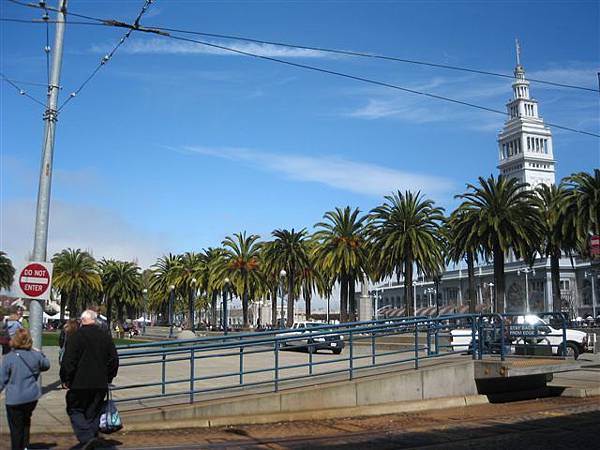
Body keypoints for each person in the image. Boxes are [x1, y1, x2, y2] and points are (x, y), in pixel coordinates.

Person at [60, 310, 119, 448]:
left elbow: (68, 361)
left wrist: (66, 379)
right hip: (100, 383)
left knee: (75, 410)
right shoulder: (105, 337)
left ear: (82, 321)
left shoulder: (76, 336)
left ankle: (87, 439)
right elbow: (114, 360)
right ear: (95, 320)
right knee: (93, 413)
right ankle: (91, 441)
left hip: (79, 383)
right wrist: (109, 377)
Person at [0, 328, 51, 450]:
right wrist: (40, 353)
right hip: (31, 397)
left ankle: (18, 447)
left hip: (15, 398)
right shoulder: (36, 355)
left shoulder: (9, 358)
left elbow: (2, 380)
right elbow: (46, 365)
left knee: (16, 428)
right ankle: (25, 446)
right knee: (26, 422)